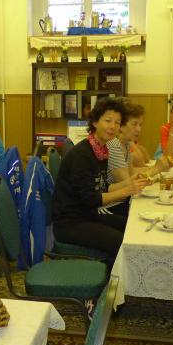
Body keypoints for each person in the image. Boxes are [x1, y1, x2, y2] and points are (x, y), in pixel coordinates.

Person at [52, 97, 147, 262]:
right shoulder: (82, 155)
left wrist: (129, 183)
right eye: (108, 120)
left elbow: (103, 187)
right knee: (122, 243)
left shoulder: (101, 150)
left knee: (132, 226)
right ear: (95, 122)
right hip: (70, 223)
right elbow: (91, 199)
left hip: (87, 214)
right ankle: (111, 276)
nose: (113, 126)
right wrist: (126, 190)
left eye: (117, 122)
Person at [107, 101, 166, 183]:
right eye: (134, 124)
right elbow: (127, 183)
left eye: (140, 125)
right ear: (121, 125)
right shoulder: (114, 145)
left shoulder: (126, 143)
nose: (139, 129)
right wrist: (156, 169)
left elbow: (131, 173)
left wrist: (156, 167)